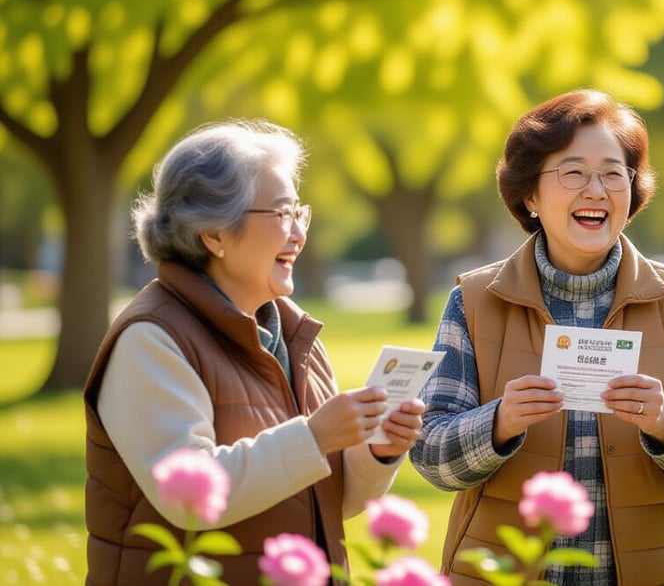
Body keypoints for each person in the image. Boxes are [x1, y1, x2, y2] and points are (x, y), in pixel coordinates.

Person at [410, 89, 664, 585]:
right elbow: (430, 456)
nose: (596, 190)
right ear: (530, 195)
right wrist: (499, 422)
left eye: (614, 174)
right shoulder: (475, 301)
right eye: (573, 172)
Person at [83, 120, 425, 585]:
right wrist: (316, 436)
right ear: (214, 234)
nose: (299, 235)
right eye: (281, 214)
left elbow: (327, 504)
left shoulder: (295, 333)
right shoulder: (151, 337)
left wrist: (376, 451)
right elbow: (186, 494)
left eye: (300, 213)